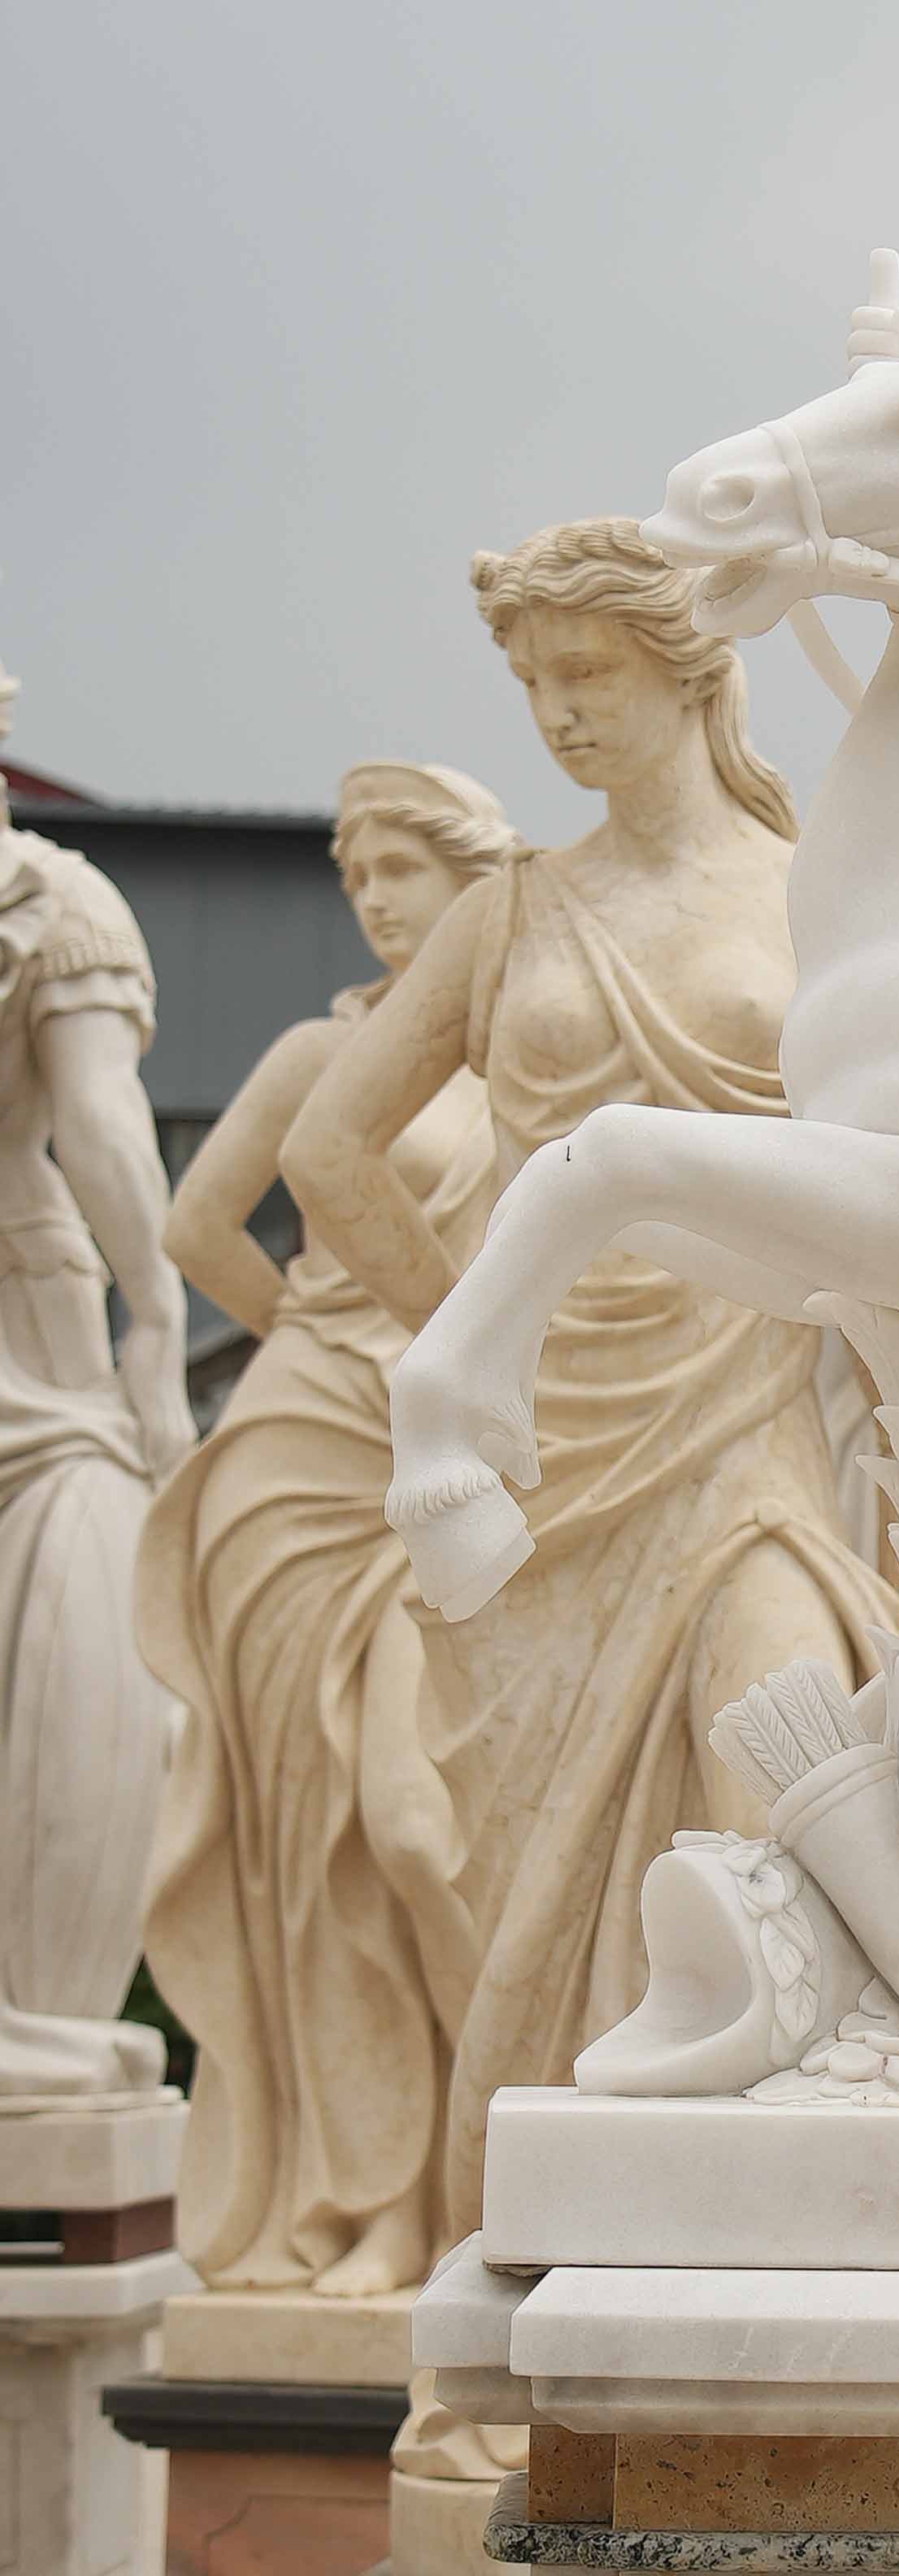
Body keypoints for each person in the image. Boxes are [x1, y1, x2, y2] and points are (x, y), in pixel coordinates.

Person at [283, 520, 892, 2233]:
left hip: (763, 1415)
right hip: (548, 1469)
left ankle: (770, 2250)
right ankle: (569, 2277)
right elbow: (334, 1153)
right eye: (534, 683)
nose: (556, 715)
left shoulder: (826, 885)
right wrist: (472, 1346)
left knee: (768, 1774)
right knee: (544, 1893)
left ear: (692, 673)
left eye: (589, 676)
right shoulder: (509, 911)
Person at [138, 761, 518, 2291]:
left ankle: (486, 2187)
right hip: (304, 1457)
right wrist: (312, 1316)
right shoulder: (318, 1052)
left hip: (462, 1460)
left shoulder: (533, 1062)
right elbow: (190, 1227)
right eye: (356, 869)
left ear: (473, 883)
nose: (372, 894)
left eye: (403, 869)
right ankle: (360, 2207)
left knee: (434, 1832)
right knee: (324, 1847)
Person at [0, 664, 192, 2095]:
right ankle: (44, 2012)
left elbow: (104, 1132)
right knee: (80, 1633)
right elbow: (102, 1134)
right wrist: (153, 1315)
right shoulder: (48, 899)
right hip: (40, 1320)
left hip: (31, 1325)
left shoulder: (47, 905)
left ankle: (45, 2018)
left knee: (83, 1620)